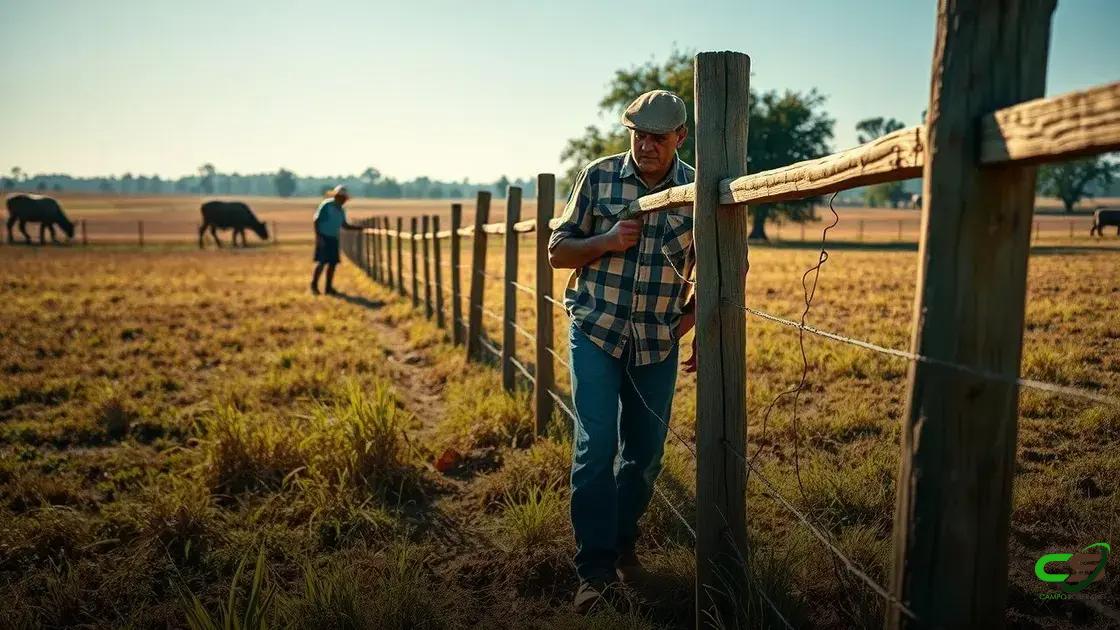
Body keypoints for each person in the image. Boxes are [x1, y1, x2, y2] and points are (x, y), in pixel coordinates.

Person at [548, 89, 698, 613]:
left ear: (680, 136)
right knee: (596, 447)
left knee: (645, 455)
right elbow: (557, 251)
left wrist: (696, 321)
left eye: (659, 136)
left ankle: (621, 537)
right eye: (639, 134)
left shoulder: (697, 188)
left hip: (657, 341)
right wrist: (606, 241)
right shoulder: (598, 176)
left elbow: (726, 266)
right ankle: (594, 570)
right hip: (596, 329)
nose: (647, 145)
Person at [311, 185, 364, 295]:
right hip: (323, 237)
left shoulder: (341, 210)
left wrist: (359, 228)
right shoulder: (327, 205)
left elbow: (344, 225)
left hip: (333, 238)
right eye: (342, 197)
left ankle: (328, 288)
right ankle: (314, 285)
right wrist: (318, 236)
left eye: (345, 198)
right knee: (322, 262)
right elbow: (316, 220)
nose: (343, 200)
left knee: (332, 264)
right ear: (337, 196)